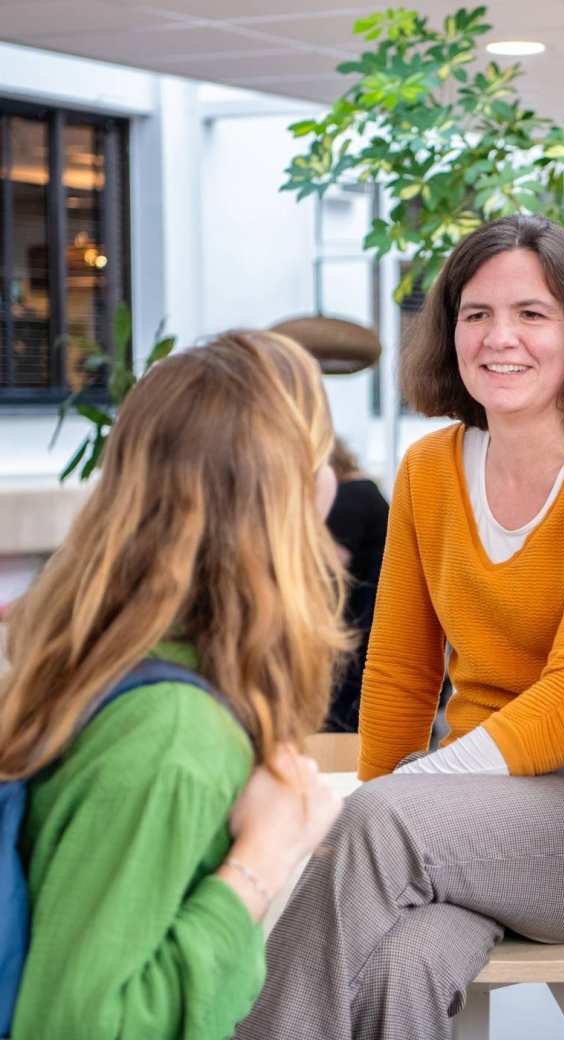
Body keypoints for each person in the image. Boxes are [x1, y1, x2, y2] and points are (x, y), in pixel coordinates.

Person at [236, 214, 564, 1040]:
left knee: (380, 819)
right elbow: (402, 673)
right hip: (473, 820)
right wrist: (393, 790)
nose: (498, 338)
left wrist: (396, 799)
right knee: (403, 967)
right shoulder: (430, 470)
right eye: (475, 314)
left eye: (531, 314)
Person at [0, 331, 350, 1039]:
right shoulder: (175, 736)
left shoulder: (105, 670)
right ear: (290, 495)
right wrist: (261, 858)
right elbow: (78, 1026)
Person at [323, 437, 390, 732]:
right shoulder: (366, 491)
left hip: (360, 620)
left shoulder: (348, 497)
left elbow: (332, 562)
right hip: (377, 613)